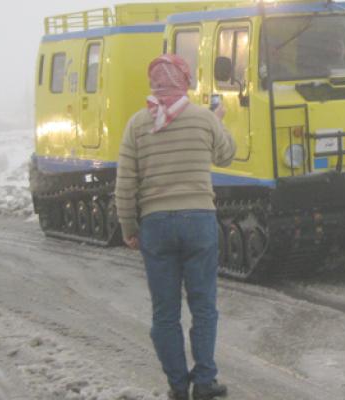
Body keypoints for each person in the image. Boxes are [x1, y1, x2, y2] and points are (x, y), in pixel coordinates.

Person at [115, 54, 235, 400]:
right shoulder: (202, 118)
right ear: (185, 80)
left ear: (154, 82)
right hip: (198, 221)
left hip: (156, 224)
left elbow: (126, 183)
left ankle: (178, 386)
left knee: (165, 312)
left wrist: (128, 227)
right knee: (203, 306)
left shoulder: (138, 124)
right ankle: (205, 381)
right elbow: (226, 155)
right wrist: (218, 121)